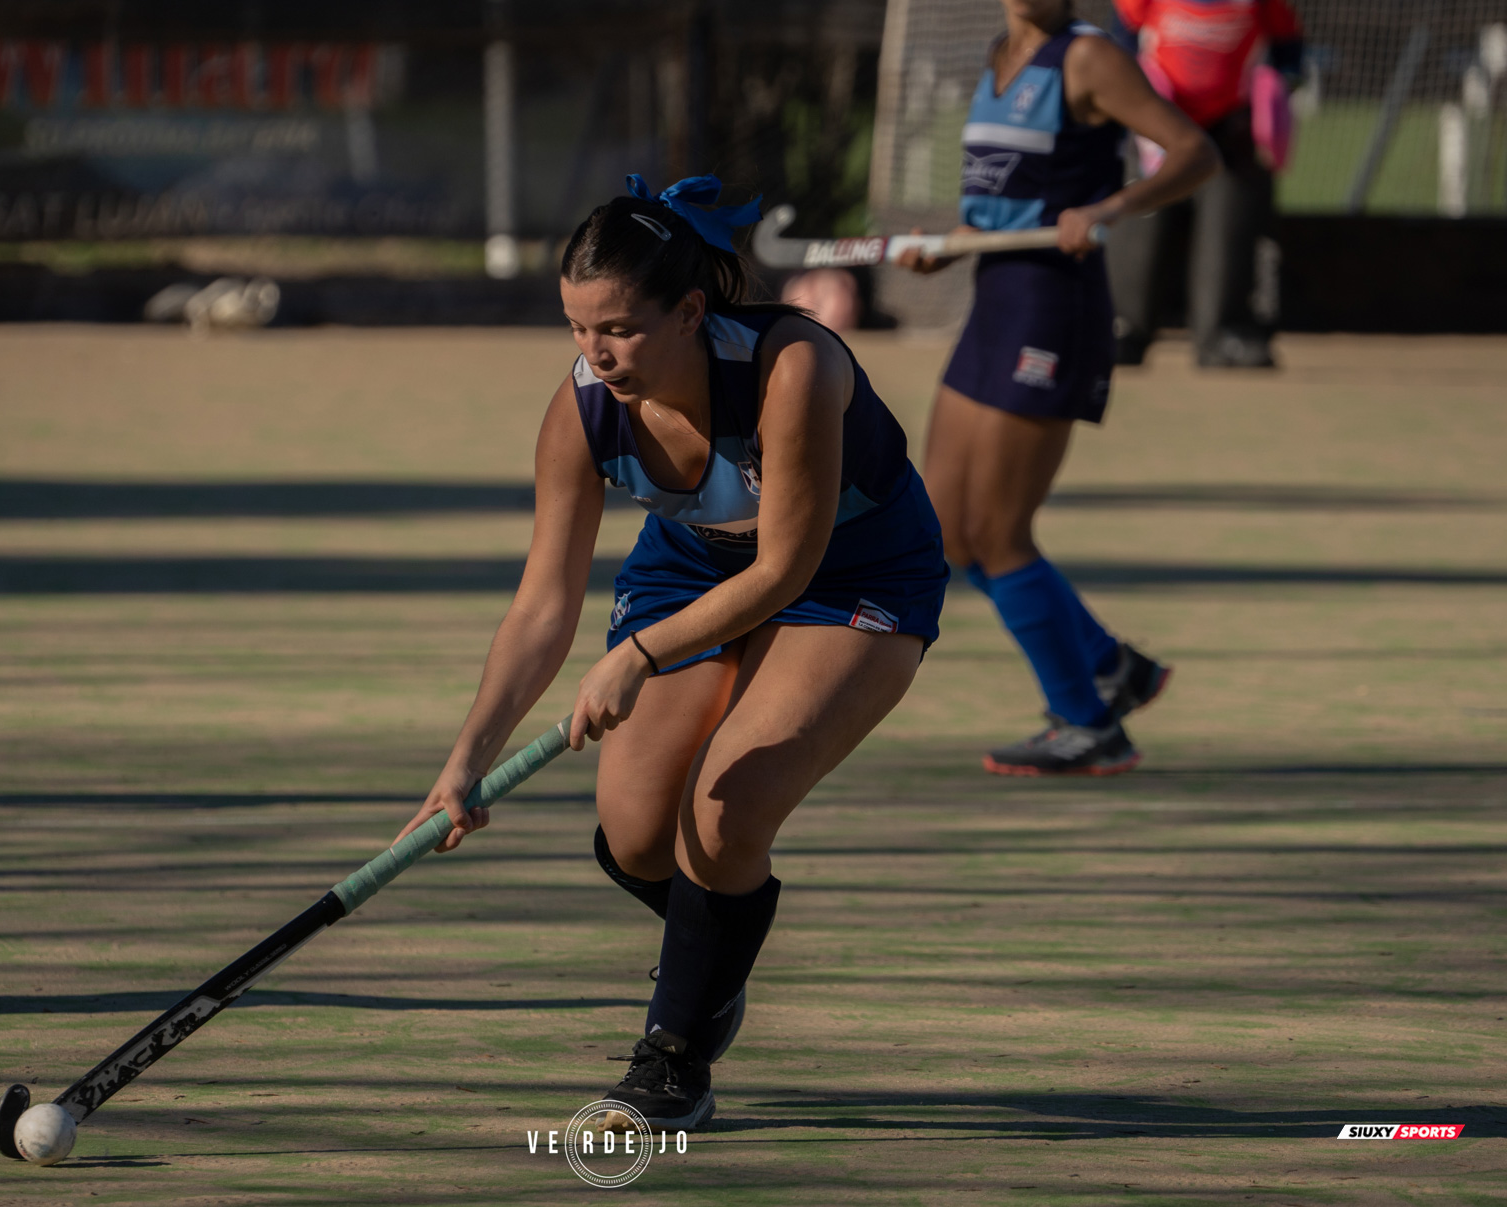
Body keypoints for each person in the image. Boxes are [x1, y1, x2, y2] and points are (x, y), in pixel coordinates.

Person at [392, 174, 948, 1129]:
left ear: (692, 310)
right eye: (575, 327)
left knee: (726, 808)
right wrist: (465, 758)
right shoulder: (582, 409)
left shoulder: (792, 367)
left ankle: (673, 1058)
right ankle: (710, 966)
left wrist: (638, 654)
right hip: (690, 569)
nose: (595, 353)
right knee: (640, 834)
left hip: (853, 575)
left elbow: (786, 567)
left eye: (619, 328)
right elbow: (542, 603)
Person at [905, 0, 1219, 775]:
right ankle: (1113, 666)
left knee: (999, 530)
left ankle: (1089, 723)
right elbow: (1007, 198)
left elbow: (1194, 152)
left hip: (1055, 305)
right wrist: (950, 246)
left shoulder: (1088, 58)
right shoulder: (996, 55)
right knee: (944, 531)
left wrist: (1109, 208)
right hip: (996, 294)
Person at [1107, 0, 1305, 368]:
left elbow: (1288, 48)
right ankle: (1124, 329)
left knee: (1230, 230)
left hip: (1232, 131)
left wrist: (1277, 90)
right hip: (1158, 128)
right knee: (1137, 224)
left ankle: (1225, 334)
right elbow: (1121, 41)